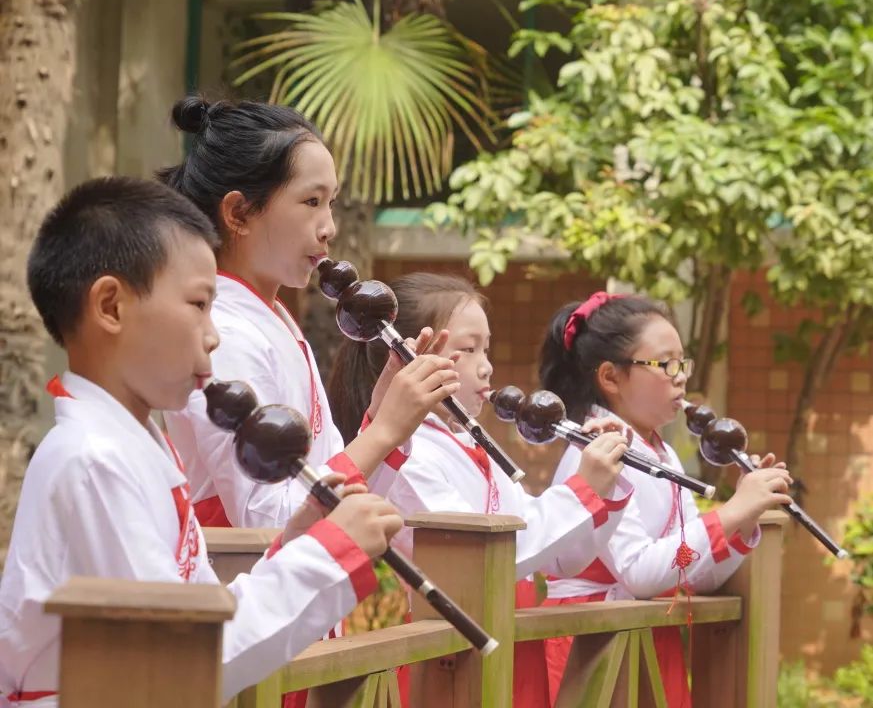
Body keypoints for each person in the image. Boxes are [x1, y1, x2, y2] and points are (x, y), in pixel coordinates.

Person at [0, 177, 406, 707]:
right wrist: (329, 555)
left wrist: (297, 543)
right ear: (111, 307)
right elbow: (184, 654)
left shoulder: (126, 446)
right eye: (198, 305)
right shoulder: (93, 460)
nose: (213, 335)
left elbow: (195, 615)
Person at [329, 272, 636, 707]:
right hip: (452, 656)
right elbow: (482, 554)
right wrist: (582, 488)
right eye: (468, 349)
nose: (486, 366)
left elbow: (562, 557)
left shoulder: (470, 444)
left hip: (507, 640)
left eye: (485, 349)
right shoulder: (410, 453)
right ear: (410, 356)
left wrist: (605, 486)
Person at [158, 97, 457, 530]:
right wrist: (383, 432)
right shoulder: (224, 334)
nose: (329, 227)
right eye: (312, 201)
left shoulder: (271, 320)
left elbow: (337, 491)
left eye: (330, 202)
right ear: (239, 213)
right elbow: (266, 520)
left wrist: (384, 417)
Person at [539, 292, 793, 706]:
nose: (681, 378)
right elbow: (639, 573)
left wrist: (744, 519)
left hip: (640, 633)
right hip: (590, 641)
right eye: (666, 364)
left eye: (682, 364)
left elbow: (687, 570)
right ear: (611, 377)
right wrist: (730, 513)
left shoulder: (663, 453)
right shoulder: (594, 453)